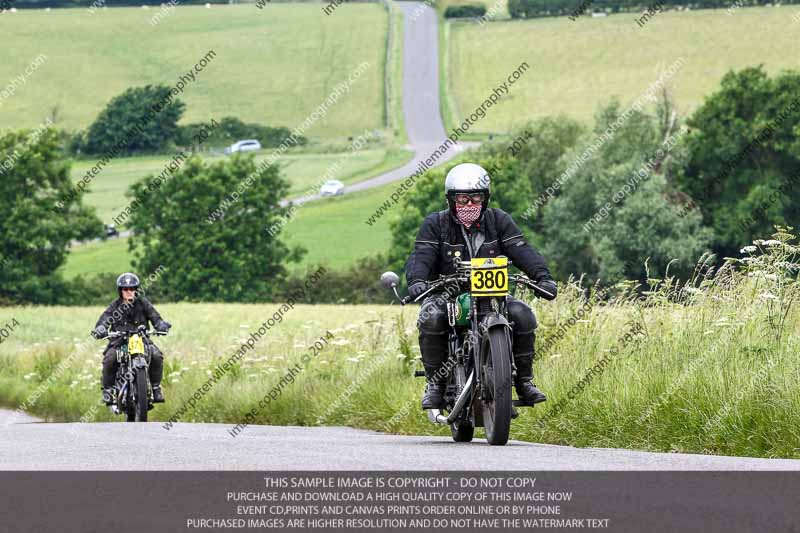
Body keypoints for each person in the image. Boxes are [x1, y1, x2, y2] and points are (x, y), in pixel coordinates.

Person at [405, 163, 558, 409]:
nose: (468, 205)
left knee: (523, 314)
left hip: (492, 294)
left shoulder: (499, 220)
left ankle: (523, 381)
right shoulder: (435, 224)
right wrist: (417, 281)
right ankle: (436, 384)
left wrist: (543, 277)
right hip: (449, 294)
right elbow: (422, 254)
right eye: (462, 198)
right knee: (431, 316)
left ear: (485, 198)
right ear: (451, 199)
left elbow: (521, 250)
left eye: (475, 198)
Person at [91, 273, 171, 405]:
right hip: (119, 342)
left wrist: (161, 325)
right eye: (125, 289)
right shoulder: (114, 306)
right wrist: (101, 328)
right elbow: (104, 319)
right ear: (120, 291)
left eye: (132, 289)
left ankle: (156, 388)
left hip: (141, 339)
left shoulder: (143, 303)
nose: (129, 292)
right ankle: (108, 391)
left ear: (136, 290)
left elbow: (155, 317)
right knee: (110, 359)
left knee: (156, 355)